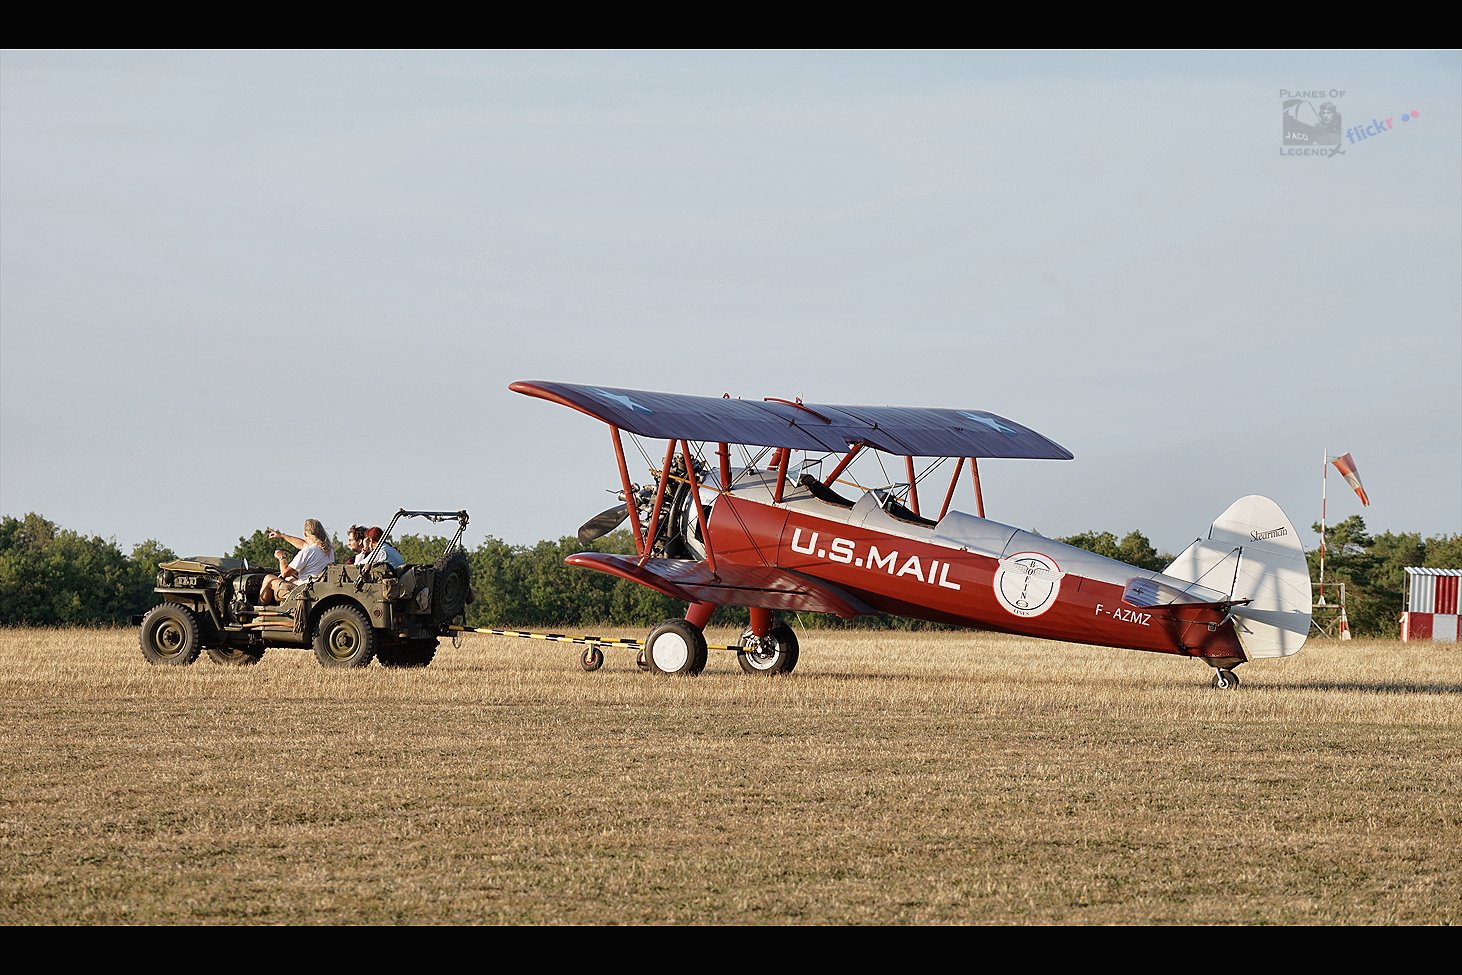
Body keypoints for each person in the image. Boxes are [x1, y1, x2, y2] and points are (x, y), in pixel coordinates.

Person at [259, 518, 334, 605]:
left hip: (303, 591)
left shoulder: (308, 551)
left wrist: (281, 557)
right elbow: (302, 544)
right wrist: (282, 536)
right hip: (316, 588)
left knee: (268, 579)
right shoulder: (328, 550)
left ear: (305, 533)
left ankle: (258, 613)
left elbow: (285, 573)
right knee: (289, 579)